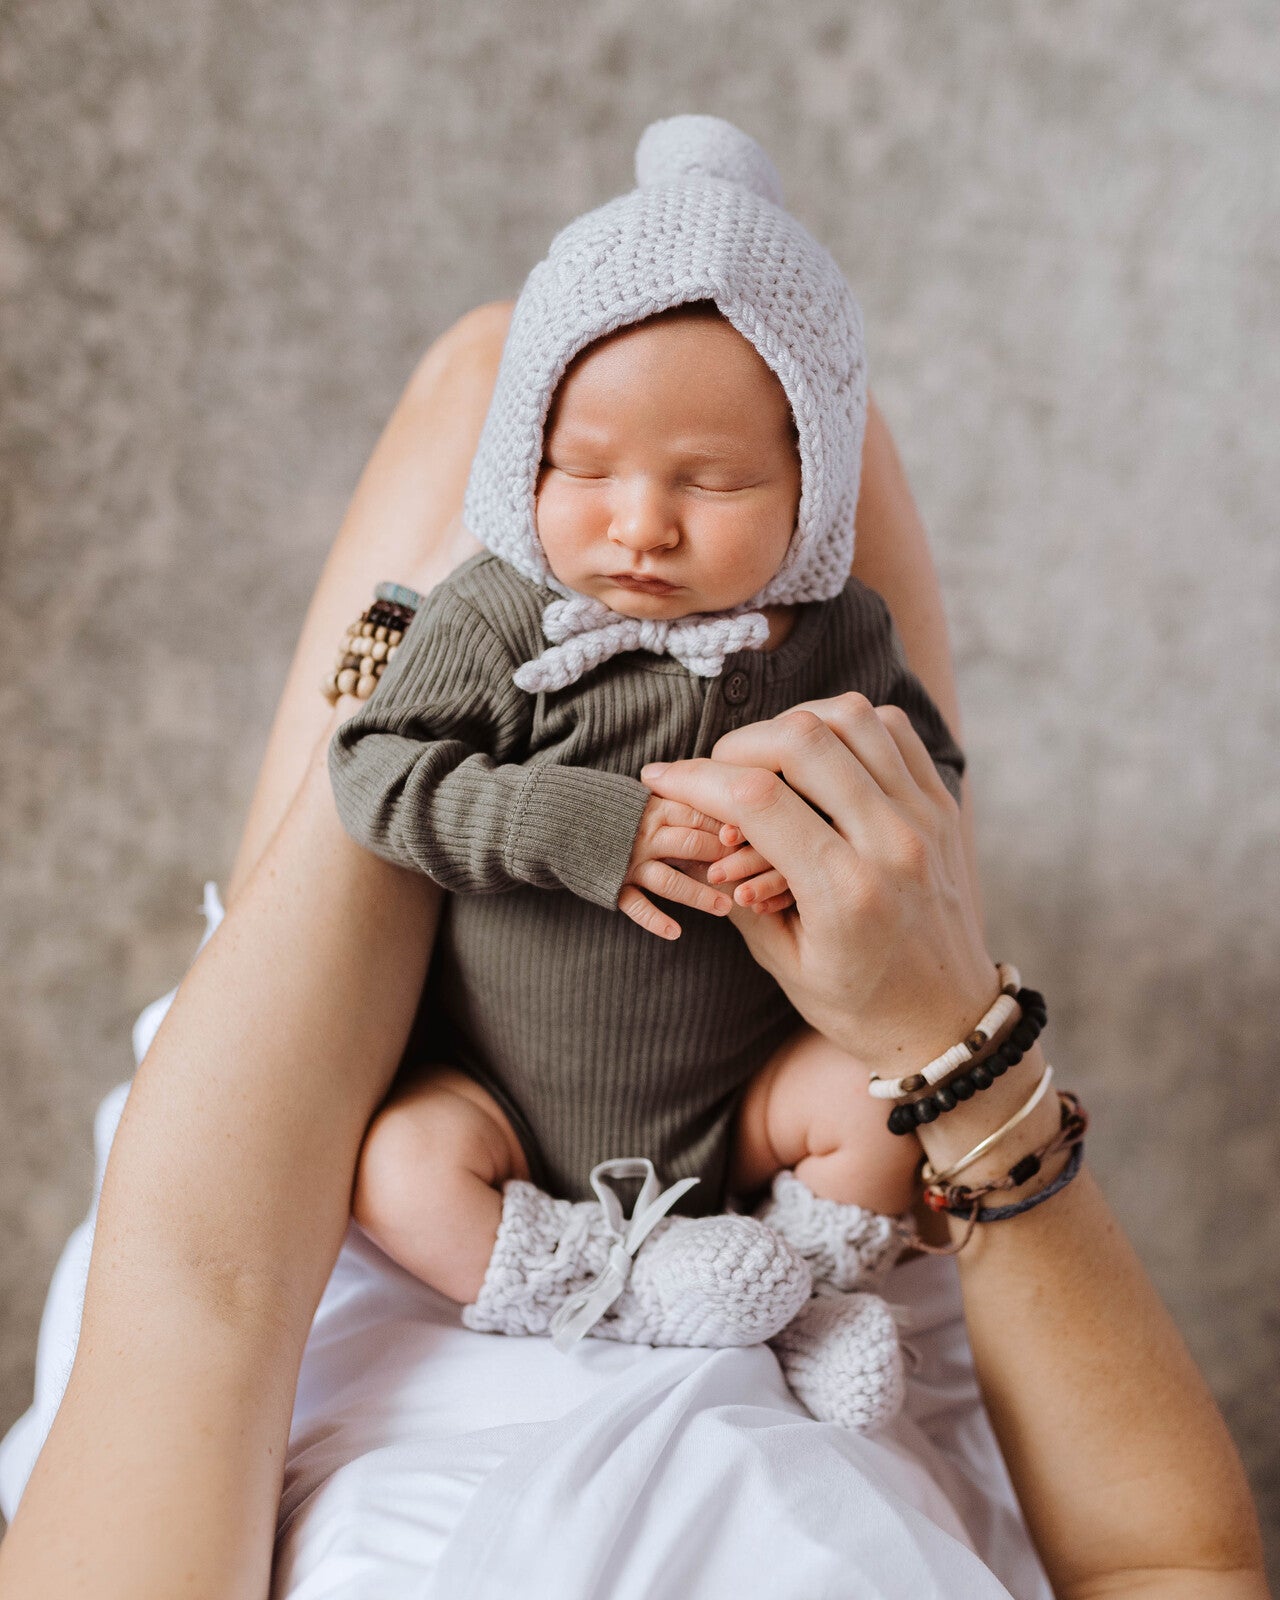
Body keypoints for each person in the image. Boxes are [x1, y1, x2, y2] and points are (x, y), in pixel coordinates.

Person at [0, 250, 1266, 1600]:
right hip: (827, 1277)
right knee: (784, 477)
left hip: (329, 1251)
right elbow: (1166, 1563)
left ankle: (423, 629)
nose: (641, 526)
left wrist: (450, 651)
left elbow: (207, 1291)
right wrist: (950, 1044)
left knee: (508, 385)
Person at [326, 118, 968, 1427]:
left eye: (712, 481)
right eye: (587, 469)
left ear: (810, 486)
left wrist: (815, 832)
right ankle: (627, 1292)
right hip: (500, 1099)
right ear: (526, 456)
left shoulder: (838, 636)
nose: (640, 524)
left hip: (742, 1106)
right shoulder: (505, 618)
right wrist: (584, 826)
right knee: (397, 1164)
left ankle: (791, 1281)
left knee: (872, 1104)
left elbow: (926, 778)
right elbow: (375, 774)